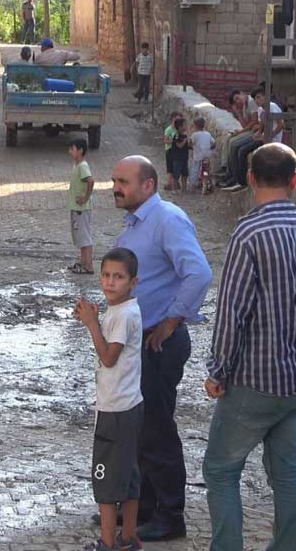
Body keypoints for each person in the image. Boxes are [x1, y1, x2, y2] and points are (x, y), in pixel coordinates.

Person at [202, 143, 296, 551]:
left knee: (221, 470)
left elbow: (232, 312)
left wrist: (218, 370)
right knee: (286, 472)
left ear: (251, 179)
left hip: (253, 380)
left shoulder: (249, 232)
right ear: (295, 180)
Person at [112, 155, 213, 541]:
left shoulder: (167, 219)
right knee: (139, 431)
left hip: (159, 342)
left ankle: (172, 516)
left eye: (123, 181)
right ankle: (143, 509)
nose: (115, 187)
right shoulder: (138, 222)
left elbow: (199, 273)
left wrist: (172, 321)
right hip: (140, 340)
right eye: (114, 179)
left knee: (156, 431)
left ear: (148, 185)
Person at [75, 248, 145, 551]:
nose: (110, 282)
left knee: (105, 480)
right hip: (129, 404)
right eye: (106, 275)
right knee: (129, 475)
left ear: (133, 282)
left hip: (115, 409)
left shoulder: (123, 315)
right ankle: (128, 537)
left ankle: (107, 543)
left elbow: (108, 357)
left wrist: (92, 323)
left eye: (118, 277)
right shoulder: (124, 310)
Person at [224, 88, 284, 191]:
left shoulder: (272, 107)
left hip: (272, 140)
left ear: (265, 97)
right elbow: (261, 124)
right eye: (255, 98)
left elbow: (281, 124)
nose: (257, 101)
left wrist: (269, 136)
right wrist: (259, 133)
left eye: (259, 97)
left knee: (242, 151)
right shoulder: (261, 109)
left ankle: (241, 182)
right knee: (238, 147)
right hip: (262, 137)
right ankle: (236, 179)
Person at [68, 138, 96, 276]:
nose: (70, 152)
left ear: (80, 150)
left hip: (81, 209)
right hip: (77, 208)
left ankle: (89, 265)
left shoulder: (83, 166)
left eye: (72, 149)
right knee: (80, 236)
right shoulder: (77, 165)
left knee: (84, 237)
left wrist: (85, 198)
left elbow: (91, 181)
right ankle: (83, 262)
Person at [188, 117, 216, 195]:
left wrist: (190, 145)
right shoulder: (208, 134)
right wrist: (209, 148)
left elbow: (190, 143)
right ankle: (206, 184)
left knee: (195, 170)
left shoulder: (194, 135)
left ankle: (193, 185)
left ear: (195, 126)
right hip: (207, 155)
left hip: (198, 156)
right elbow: (213, 143)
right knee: (206, 170)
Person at [167, 117, 191, 194]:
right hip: (177, 158)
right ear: (180, 127)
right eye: (184, 125)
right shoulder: (177, 135)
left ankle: (184, 189)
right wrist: (185, 140)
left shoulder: (184, 135)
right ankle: (174, 189)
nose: (186, 126)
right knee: (176, 174)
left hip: (184, 158)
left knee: (185, 174)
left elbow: (186, 146)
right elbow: (179, 145)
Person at [162, 112, 182, 191]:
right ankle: (169, 183)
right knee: (170, 167)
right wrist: (174, 142)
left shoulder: (179, 129)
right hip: (170, 150)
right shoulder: (169, 129)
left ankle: (175, 182)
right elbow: (165, 140)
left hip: (177, 151)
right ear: (173, 119)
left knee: (176, 167)